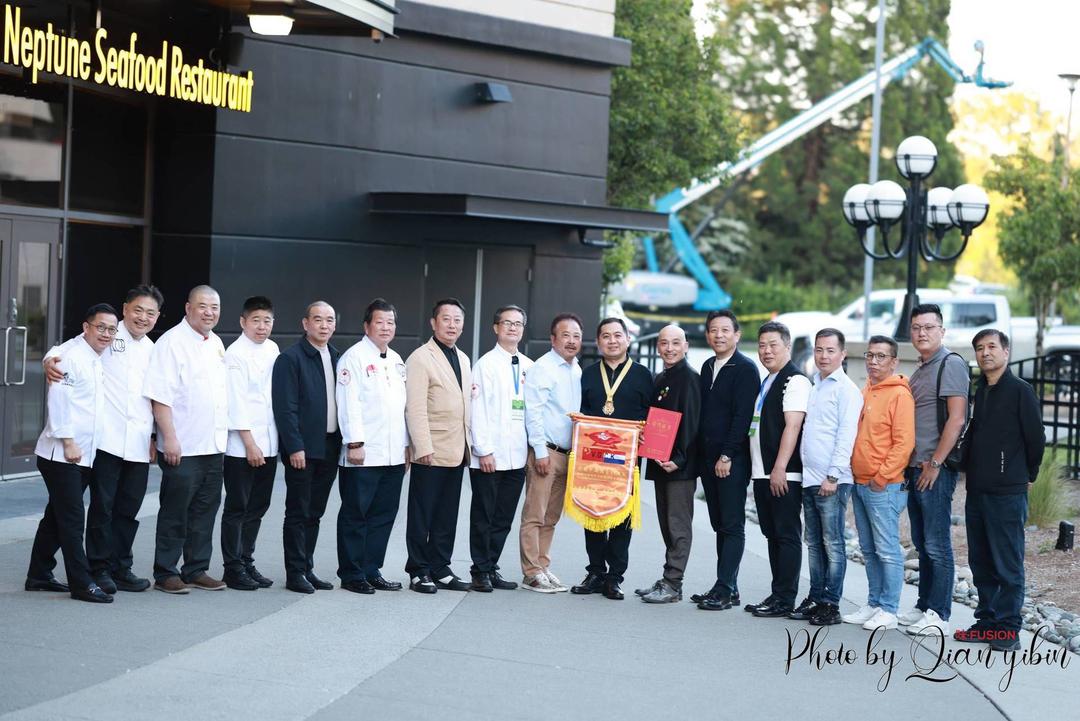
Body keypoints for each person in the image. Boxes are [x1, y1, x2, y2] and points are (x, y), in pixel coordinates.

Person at [43, 286, 163, 594]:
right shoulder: (107, 334)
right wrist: (49, 359)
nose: (143, 318)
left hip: (137, 443)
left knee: (128, 510)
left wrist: (153, 436)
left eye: (150, 313)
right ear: (126, 309)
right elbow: (67, 349)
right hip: (106, 442)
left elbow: (153, 397)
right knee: (102, 508)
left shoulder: (153, 348)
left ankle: (121, 566)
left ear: (157, 317)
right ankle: (99, 567)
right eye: (138, 310)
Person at [956, 329, 1044, 652]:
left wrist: (1027, 474)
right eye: (980, 348)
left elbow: (1036, 438)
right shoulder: (980, 390)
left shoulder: (1020, 391)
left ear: (1006, 352)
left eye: (992, 347)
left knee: (1007, 563)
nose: (985, 353)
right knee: (981, 561)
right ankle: (988, 621)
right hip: (977, 490)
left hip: (1007, 491)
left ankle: (1008, 629)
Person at [26, 304, 119, 603]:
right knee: (72, 519)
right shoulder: (68, 356)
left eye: (111, 329)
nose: (106, 333)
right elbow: (59, 402)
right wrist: (67, 441)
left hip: (84, 454)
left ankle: (39, 574)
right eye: (100, 327)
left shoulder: (94, 354)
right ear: (86, 327)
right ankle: (81, 583)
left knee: (57, 516)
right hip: (62, 454)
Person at [143, 285, 229, 594]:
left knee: (205, 510)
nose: (209, 312)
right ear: (188, 308)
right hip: (183, 445)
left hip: (213, 444)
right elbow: (160, 397)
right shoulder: (171, 343)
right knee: (175, 511)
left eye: (215, 307)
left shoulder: (216, 343)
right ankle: (166, 571)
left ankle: (196, 568)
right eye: (203, 306)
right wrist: (169, 438)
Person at [570, 317, 653, 601]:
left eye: (618, 335)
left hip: (626, 461)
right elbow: (579, 411)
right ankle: (595, 572)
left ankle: (614, 577)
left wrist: (647, 436)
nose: (612, 340)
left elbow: (652, 418)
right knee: (592, 513)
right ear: (599, 341)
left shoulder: (644, 375)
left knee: (622, 517)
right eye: (606, 336)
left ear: (628, 339)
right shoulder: (587, 374)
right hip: (593, 459)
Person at [900, 304, 969, 637]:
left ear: (942, 330)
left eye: (928, 327)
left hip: (934, 468)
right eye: (916, 327)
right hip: (915, 467)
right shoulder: (922, 368)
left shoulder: (950, 364)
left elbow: (957, 418)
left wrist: (936, 463)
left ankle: (939, 614)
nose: (922, 333)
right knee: (921, 541)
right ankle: (924, 605)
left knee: (937, 542)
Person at [335, 298, 410, 594]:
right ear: (367, 326)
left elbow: (400, 408)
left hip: (393, 455)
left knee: (383, 515)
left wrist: (405, 446)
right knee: (356, 515)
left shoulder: (395, 359)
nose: (385, 327)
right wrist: (354, 443)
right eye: (379, 322)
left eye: (390, 322)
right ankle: (352, 573)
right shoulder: (353, 358)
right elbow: (348, 404)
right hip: (362, 454)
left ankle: (371, 568)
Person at [842, 335, 915, 631]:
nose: (873, 361)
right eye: (870, 356)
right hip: (859, 483)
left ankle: (889, 608)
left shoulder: (899, 395)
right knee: (869, 549)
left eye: (881, 356)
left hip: (883, 485)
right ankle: (873, 603)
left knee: (887, 550)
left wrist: (881, 477)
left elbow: (904, 443)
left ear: (894, 361)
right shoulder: (866, 390)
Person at [272, 301, 342, 594]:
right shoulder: (291, 358)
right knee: (298, 511)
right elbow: (285, 408)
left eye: (329, 320)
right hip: (303, 449)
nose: (324, 325)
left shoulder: (338, 357)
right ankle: (295, 572)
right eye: (318, 320)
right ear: (305, 323)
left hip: (329, 445)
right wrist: (294, 447)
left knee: (315, 511)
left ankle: (308, 567)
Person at [743, 321, 810, 619]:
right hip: (763, 472)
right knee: (772, 534)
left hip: (783, 473)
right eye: (761, 345)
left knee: (786, 534)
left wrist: (780, 467)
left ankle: (785, 598)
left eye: (773, 345)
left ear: (787, 345)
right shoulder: (769, 379)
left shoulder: (794, 380)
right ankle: (777, 594)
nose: (766, 350)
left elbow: (793, 426)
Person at [405, 298, 472, 594]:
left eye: (457, 319)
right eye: (446, 319)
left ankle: (440, 566)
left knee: (447, 513)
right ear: (433, 323)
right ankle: (419, 569)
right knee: (423, 513)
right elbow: (415, 407)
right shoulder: (421, 357)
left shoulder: (464, 358)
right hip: (431, 450)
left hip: (457, 448)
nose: (452, 325)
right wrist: (422, 446)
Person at [797, 328, 862, 626]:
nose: (823, 356)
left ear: (842, 354)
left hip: (831, 481)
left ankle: (831, 603)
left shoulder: (846, 389)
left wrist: (833, 475)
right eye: (819, 350)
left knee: (832, 542)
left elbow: (846, 434)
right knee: (814, 542)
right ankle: (815, 596)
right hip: (809, 478)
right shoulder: (816, 384)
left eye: (830, 350)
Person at [695, 310, 759, 611]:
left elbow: (742, 416)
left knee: (732, 524)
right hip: (708, 459)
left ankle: (724, 587)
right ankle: (727, 587)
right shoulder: (707, 366)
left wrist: (727, 454)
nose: (718, 335)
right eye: (713, 330)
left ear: (737, 335)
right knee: (719, 522)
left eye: (724, 330)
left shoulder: (745, 369)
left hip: (730, 460)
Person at [467, 305, 533, 592]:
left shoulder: (531, 366)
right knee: (484, 514)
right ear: (496, 328)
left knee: (504, 516)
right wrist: (484, 449)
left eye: (518, 324)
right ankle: (479, 569)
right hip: (489, 456)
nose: (513, 328)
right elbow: (476, 409)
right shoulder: (484, 365)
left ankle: (492, 565)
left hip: (516, 456)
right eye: (507, 323)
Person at [636, 324, 701, 604]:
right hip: (661, 461)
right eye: (664, 343)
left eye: (676, 343)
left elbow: (693, 423)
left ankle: (673, 583)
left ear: (686, 345)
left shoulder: (689, 379)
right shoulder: (661, 377)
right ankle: (668, 579)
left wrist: (679, 458)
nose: (669, 348)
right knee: (666, 523)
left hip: (679, 466)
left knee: (678, 525)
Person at [519, 313, 583, 593]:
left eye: (577, 336)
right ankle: (531, 572)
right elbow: (533, 412)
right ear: (553, 339)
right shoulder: (543, 368)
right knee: (535, 514)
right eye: (565, 335)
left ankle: (543, 565)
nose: (571, 341)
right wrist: (539, 451)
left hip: (569, 454)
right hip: (546, 452)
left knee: (552, 516)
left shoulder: (577, 369)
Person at [221, 296, 280, 590]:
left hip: (269, 443)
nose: (262, 326)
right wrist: (249, 443)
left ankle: (246, 560)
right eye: (256, 320)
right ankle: (232, 568)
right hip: (242, 445)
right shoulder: (235, 354)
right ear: (243, 322)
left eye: (267, 321)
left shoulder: (273, 349)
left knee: (258, 505)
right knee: (237, 506)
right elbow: (235, 402)